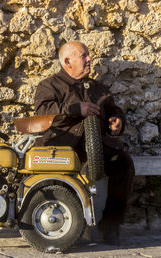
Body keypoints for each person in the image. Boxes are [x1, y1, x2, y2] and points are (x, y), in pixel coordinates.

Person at [33, 41, 135, 245]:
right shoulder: (49, 85)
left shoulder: (98, 88)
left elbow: (112, 108)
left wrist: (117, 121)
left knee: (123, 163)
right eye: (84, 56)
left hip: (97, 147)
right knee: (72, 172)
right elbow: (42, 113)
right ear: (68, 61)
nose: (89, 59)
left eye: (88, 55)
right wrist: (76, 109)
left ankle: (111, 223)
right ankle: (74, 225)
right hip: (63, 147)